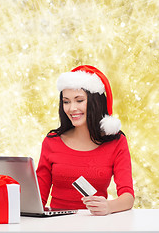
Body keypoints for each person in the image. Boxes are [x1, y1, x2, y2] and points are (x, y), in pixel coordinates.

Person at [36, 65, 134, 216]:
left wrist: (108, 206)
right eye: (66, 101)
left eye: (79, 100)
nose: (71, 108)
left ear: (96, 102)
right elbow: (38, 199)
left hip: (94, 225)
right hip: (56, 225)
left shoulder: (116, 142)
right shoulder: (52, 141)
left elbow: (127, 197)